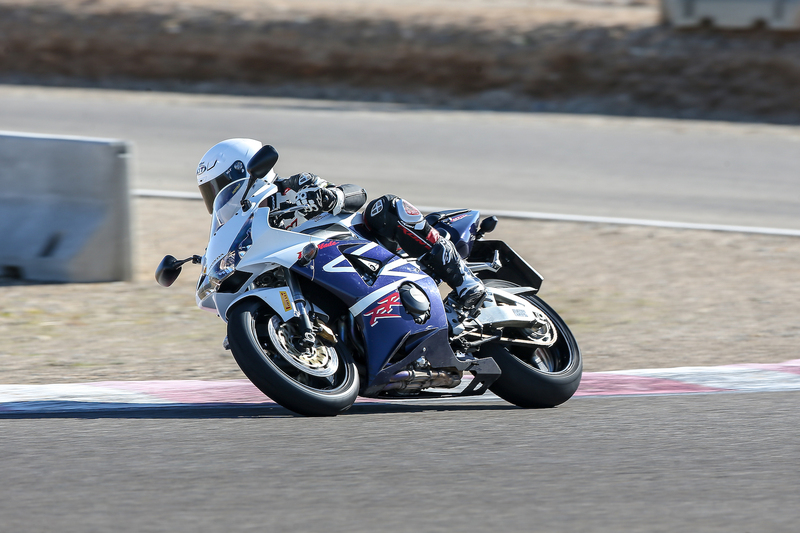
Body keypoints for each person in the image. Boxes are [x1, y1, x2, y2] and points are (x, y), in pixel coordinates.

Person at [196, 139, 485, 308]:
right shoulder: (244, 225)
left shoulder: (293, 186)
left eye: (222, 184)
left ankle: (464, 281)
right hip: (313, 270)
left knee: (387, 207)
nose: (219, 194)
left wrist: (331, 196)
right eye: (211, 191)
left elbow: (357, 194)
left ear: (246, 169)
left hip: (357, 246)